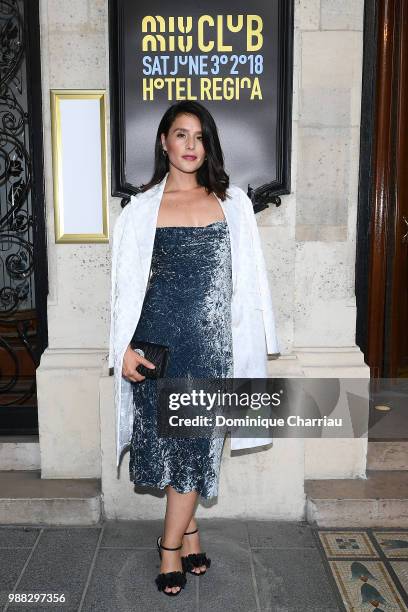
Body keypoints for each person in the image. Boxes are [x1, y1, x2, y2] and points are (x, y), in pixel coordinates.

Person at [109, 100, 280, 596]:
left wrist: (256, 343)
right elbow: (122, 291)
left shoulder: (234, 204)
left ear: (209, 147)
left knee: (193, 449)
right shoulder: (140, 210)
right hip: (155, 346)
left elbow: (251, 284)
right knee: (168, 449)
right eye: (181, 135)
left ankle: (167, 549)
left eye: (200, 137)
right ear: (163, 142)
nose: (191, 146)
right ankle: (189, 534)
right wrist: (120, 349)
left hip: (209, 349)